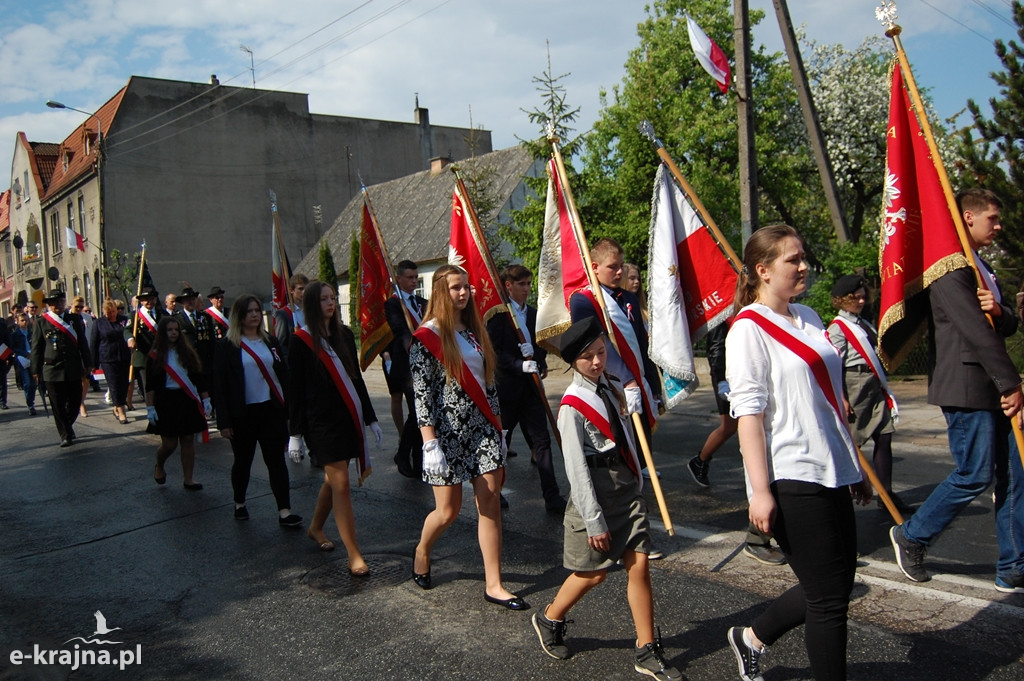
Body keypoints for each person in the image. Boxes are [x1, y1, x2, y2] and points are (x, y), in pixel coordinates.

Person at [725, 224, 872, 681]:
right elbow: (748, 414)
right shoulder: (747, 330)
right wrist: (759, 491)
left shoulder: (807, 316)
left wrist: (855, 465)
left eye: (803, 256)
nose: (805, 265)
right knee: (829, 603)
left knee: (832, 587)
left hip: (832, 464)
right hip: (790, 473)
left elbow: (829, 404)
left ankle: (750, 638)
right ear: (762, 270)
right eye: (794, 259)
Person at [531, 317, 681, 680]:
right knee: (593, 575)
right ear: (572, 361)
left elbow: (628, 439)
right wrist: (594, 519)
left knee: (639, 565)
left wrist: (639, 479)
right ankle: (550, 617)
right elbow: (576, 470)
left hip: (626, 489)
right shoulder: (572, 405)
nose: (597, 362)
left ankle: (645, 648)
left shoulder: (612, 385)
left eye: (601, 353)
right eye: (588, 358)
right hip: (595, 496)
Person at [890, 188, 1024, 593]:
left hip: (989, 383)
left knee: (1014, 476)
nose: (999, 226)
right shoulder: (949, 268)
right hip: (967, 385)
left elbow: (1005, 324)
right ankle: (912, 535)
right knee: (975, 473)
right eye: (993, 219)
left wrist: (1000, 311)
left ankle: (1013, 565)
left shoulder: (979, 266)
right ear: (967, 217)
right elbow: (971, 330)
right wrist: (1012, 382)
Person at [408, 265, 524, 609]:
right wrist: (429, 443)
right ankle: (422, 550)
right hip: (446, 436)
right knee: (448, 511)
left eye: (467, 288)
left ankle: (495, 584)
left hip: (482, 430)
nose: (464, 294)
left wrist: (500, 430)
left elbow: (488, 385)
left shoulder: (474, 333)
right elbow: (421, 395)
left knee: (490, 504)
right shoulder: (427, 336)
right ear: (442, 291)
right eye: (457, 288)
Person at [288, 281, 382, 572]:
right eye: (324, 299)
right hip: (320, 423)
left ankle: (316, 527)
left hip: (345, 417)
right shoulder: (300, 341)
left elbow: (355, 379)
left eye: (333, 298)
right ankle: (354, 553)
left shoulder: (343, 334)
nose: (330, 303)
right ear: (312, 305)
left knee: (333, 481)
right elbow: (294, 390)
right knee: (341, 484)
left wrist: (370, 417)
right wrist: (294, 434)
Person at [686, 322, 787, 566]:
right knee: (734, 429)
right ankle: (699, 461)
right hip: (732, 378)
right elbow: (717, 347)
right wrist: (721, 378)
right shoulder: (735, 314)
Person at [826, 274, 912, 514]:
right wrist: (841, 397)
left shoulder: (861, 323)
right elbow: (834, 365)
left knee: (884, 438)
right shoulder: (837, 328)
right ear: (843, 299)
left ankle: (887, 495)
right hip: (855, 385)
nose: (862, 301)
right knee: (853, 443)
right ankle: (839, 494)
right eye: (856, 298)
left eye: (864, 297)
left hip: (872, 384)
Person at [215, 294, 301, 527]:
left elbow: (283, 375)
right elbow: (220, 386)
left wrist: (291, 408)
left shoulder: (269, 341)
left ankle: (285, 511)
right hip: (242, 414)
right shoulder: (227, 346)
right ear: (239, 316)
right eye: (248, 311)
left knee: (276, 462)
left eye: (256, 310)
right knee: (243, 461)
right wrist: (223, 422)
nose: (254, 314)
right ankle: (239, 503)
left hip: (270, 411)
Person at [486, 264, 565, 514]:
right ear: (508, 285)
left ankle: (552, 497)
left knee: (542, 443)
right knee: (502, 443)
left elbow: (539, 345)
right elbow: (494, 353)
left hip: (531, 391)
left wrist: (538, 361)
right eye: (522, 284)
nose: (526, 289)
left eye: (529, 284)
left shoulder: (532, 314)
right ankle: (495, 493)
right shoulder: (498, 315)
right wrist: (520, 364)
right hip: (507, 391)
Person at [146, 316, 210, 490]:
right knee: (170, 444)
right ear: (162, 333)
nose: (173, 333)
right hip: (165, 401)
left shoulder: (187, 353)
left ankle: (189, 479)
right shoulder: (155, 355)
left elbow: (198, 377)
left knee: (188, 439)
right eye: (169, 330)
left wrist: (206, 398)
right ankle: (159, 464)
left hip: (185, 399)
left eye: (176, 330)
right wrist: (150, 407)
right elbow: (150, 384)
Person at [31, 289, 93, 446]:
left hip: (73, 367)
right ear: (49, 305)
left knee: (75, 400)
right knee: (58, 404)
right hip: (52, 369)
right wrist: (35, 370)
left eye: (60, 301)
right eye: (53, 303)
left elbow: (82, 344)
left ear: (64, 302)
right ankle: (65, 434)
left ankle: (67, 424)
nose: (57, 305)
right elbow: (37, 349)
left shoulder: (74, 319)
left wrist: (88, 363)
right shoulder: (41, 322)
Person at [385, 259, 428, 477]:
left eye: (416, 278)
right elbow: (399, 330)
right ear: (398, 279)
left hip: (426, 365)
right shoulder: (393, 304)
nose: (413, 281)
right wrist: (412, 345)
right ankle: (404, 454)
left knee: (422, 413)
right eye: (409, 278)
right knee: (417, 411)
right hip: (406, 367)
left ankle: (416, 458)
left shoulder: (422, 302)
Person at [89, 299, 132, 425]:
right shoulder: (99, 323)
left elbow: (129, 332)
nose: (112, 314)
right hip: (108, 358)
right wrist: (93, 363)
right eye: (109, 312)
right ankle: (121, 411)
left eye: (113, 311)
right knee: (114, 385)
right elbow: (94, 343)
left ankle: (117, 406)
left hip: (124, 357)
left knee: (124, 384)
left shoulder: (124, 320)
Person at [175, 287, 215, 411]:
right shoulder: (177, 319)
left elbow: (211, 340)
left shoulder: (205, 317)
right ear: (182, 303)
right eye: (187, 300)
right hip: (187, 362)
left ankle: (208, 409)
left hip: (204, 361)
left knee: (207, 389)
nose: (191, 302)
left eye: (192, 299)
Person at [128, 287, 164, 411]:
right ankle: (151, 409)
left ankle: (160, 408)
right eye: (145, 299)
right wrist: (130, 339)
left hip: (161, 355)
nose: (149, 301)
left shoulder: (162, 314)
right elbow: (127, 330)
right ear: (141, 301)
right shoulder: (135, 316)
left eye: (151, 298)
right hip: (144, 356)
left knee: (161, 384)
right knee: (148, 385)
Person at [273, 273, 308, 362]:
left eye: (306, 288)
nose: (304, 292)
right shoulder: (283, 314)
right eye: (300, 289)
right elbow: (282, 344)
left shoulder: (312, 311)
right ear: (291, 290)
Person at [70, 296, 94, 416]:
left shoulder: (87, 318)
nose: (79, 309)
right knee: (75, 380)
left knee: (86, 379)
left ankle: (81, 402)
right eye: (76, 306)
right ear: (71, 306)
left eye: (81, 306)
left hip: (85, 352)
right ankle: (75, 401)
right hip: (72, 353)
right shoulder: (67, 318)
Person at [9, 313, 37, 415]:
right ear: (17, 321)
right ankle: (30, 405)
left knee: (33, 384)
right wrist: (24, 353)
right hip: (22, 360)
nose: (24, 322)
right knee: (27, 383)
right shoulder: (15, 335)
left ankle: (31, 402)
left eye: (26, 320)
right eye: (22, 320)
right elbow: (13, 348)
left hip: (32, 359)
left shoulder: (32, 332)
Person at [622, 263, 650, 327]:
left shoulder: (645, 311)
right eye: (632, 278)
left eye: (638, 279)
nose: (637, 281)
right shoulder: (620, 308)